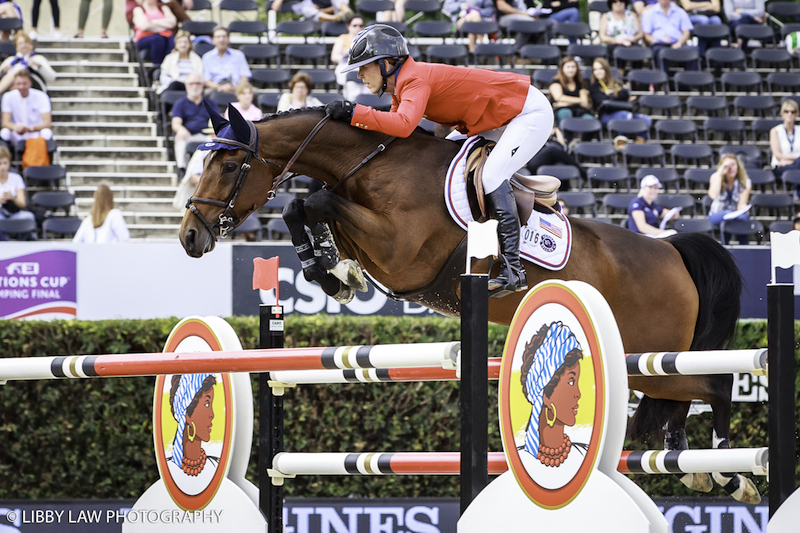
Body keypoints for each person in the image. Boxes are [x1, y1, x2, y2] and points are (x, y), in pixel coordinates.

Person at [325, 24, 553, 296]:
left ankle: (513, 269)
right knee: (446, 155)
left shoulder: (415, 79)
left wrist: (356, 114)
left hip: (527, 114)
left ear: (386, 63)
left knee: (491, 176)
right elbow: (394, 134)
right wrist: (352, 124)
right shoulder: (402, 86)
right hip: (497, 118)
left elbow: (404, 125)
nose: (360, 75)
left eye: (364, 67)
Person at [519, 322, 586, 474]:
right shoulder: (522, 458)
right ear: (546, 395)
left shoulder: (585, 455)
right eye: (571, 381)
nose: (579, 393)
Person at [166, 373, 219, 487]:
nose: (212, 414)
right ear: (187, 414)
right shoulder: (170, 468)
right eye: (206, 404)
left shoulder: (215, 466)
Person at [588, 58, 652, 141]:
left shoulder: (616, 82)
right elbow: (601, 101)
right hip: (606, 114)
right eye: (595, 69)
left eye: (601, 69)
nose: (598, 72)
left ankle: (639, 143)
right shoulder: (594, 87)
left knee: (646, 120)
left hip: (623, 112)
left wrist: (612, 99)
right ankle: (621, 143)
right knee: (624, 115)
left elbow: (625, 94)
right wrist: (618, 97)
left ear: (606, 69)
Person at [171, 72, 213, 170]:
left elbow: (217, 120)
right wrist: (181, 130)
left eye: (198, 83)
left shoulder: (210, 103)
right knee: (180, 138)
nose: (195, 86)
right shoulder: (180, 103)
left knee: (215, 142)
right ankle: (182, 170)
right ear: (186, 86)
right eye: (191, 83)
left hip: (206, 136)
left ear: (202, 86)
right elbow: (175, 123)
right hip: (188, 135)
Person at [708, 153, 752, 245]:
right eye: (727, 166)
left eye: (733, 165)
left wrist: (743, 208)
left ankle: (744, 248)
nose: (730, 168)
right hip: (718, 214)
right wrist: (720, 174)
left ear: (738, 166)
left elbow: (741, 204)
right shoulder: (715, 177)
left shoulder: (746, 181)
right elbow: (713, 195)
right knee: (728, 216)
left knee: (744, 218)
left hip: (735, 215)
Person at [525, 126, 587, 190]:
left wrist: (556, 130)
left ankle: (564, 193)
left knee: (561, 165)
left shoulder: (559, 146)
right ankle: (583, 172)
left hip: (551, 162)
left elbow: (562, 144)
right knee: (553, 150)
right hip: (535, 162)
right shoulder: (545, 142)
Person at [0, 70, 52, 146]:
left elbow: (47, 123)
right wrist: (16, 127)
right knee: (4, 133)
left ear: (30, 83)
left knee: (47, 133)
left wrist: (30, 128)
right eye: (19, 84)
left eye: (24, 83)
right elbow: (5, 123)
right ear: (14, 84)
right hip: (15, 133)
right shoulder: (8, 97)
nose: (22, 87)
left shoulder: (41, 96)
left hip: (35, 132)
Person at [641, 0, 694, 70]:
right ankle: (662, 79)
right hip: (659, 44)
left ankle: (691, 79)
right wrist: (659, 40)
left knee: (693, 51)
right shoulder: (650, 12)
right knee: (661, 52)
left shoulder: (680, 11)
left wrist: (679, 44)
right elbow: (646, 35)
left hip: (678, 44)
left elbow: (686, 32)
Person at [0, 145, 35, 241]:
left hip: (14, 213)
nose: (2, 166)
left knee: (29, 217)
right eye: (0, 163)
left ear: (9, 163)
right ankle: (6, 244)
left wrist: (13, 198)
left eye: (5, 163)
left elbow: (22, 204)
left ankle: (22, 246)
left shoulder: (16, 178)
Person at [202, 26, 251, 94]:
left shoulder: (239, 55)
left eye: (224, 36)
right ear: (213, 40)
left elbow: (245, 76)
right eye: (218, 37)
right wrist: (220, 88)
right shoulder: (207, 57)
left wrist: (237, 87)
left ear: (228, 39)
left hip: (236, 88)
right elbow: (206, 81)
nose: (221, 39)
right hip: (216, 89)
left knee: (252, 93)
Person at [549, 56, 593, 129]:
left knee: (590, 119)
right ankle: (568, 139)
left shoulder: (581, 83)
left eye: (573, 67)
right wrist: (579, 100)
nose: (571, 70)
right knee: (566, 113)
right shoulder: (556, 82)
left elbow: (585, 102)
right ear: (562, 68)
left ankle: (585, 140)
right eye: (568, 67)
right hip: (562, 111)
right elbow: (558, 97)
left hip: (579, 111)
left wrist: (567, 102)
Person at [332, 16, 370, 101]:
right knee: (351, 81)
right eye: (355, 25)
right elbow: (334, 56)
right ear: (348, 26)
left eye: (360, 26)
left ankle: (366, 102)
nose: (358, 28)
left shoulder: (367, 40)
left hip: (363, 66)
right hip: (347, 65)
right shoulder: (342, 38)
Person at [133, 0, 176, 67]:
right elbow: (144, 26)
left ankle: (168, 65)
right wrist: (164, 26)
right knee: (158, 39)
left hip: (165, 37)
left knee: (173, 40)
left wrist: (153, 22)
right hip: (144, 39)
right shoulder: (139, 9)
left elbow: (172, 22)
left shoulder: (163, 8)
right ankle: (157, 65)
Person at [158, 29, 202, 94]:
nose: (183, 45)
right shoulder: (169, 58)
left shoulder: (197, 59)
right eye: (180, 42)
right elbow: (163, 78)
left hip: (192, 86)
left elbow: (200, 75)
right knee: (175, 85)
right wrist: (174, 81)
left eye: (185, 42)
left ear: (190, 44)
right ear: (176, 44)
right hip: (173, 86)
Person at [770, 99, 800, 185]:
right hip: (781, 165)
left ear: (797, 114)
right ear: (782, 113)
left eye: (793, 112)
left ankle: (796, 189)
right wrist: (796, 160)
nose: (789, 114)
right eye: (786, 111)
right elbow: (778, 155)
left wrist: (791, 161)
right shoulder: (775, 131)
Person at [270, 0, 354, 23]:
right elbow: (274, 8)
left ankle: (348, 13)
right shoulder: (300, 4)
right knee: (306, 9)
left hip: (333, 14)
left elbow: (334, 6)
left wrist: (322, 10)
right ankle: (336, 18)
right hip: (312, 21)